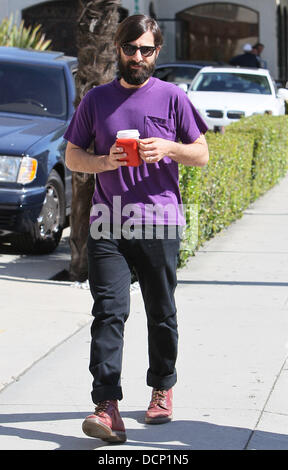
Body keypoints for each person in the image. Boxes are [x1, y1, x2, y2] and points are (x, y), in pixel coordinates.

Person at [64, 14, 209, 444]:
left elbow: (200, 154)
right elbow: (73, 156)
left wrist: (169, 148)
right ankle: (106, 406)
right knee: (109, 311)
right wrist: (104, 161)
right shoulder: (96, 100)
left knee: (161, 312)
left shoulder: (172, 97)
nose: (138, 57)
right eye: (131, 49)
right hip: (108, 221)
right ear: (118, 49)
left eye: (146, 49)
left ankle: (162, 387)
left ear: (157, 52)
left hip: (159, 221)